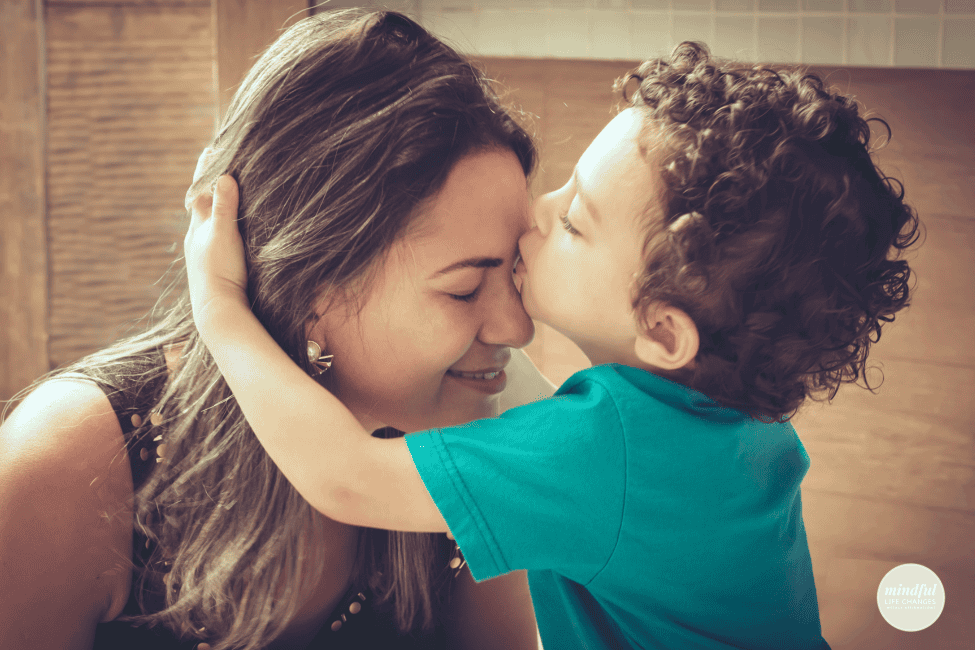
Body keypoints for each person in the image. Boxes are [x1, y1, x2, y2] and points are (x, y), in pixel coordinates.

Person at [184, 42, 922, 650]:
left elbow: (344, 478)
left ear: (663, 331)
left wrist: (220, 303)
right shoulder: (741, 426)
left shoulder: (603, 452)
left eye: (574, 221)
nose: (535, 214)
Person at [0, 10, 553, 650]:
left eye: (516, 274)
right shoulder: (77, 460)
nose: (517, 327)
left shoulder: (474, 442)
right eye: (463, 287)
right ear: (312, 284)